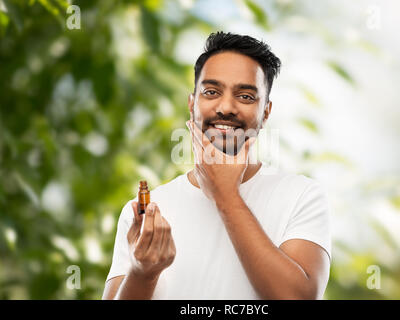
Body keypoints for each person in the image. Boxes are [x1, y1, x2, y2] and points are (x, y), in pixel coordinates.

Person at [102, 31, 331, 300]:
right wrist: (143, 272)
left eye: (245, 96)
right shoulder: (148, 211)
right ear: (192, 103)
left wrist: (226, 195)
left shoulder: (301, 196)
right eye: (211, 92)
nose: (226, 107)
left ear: (266, 112)